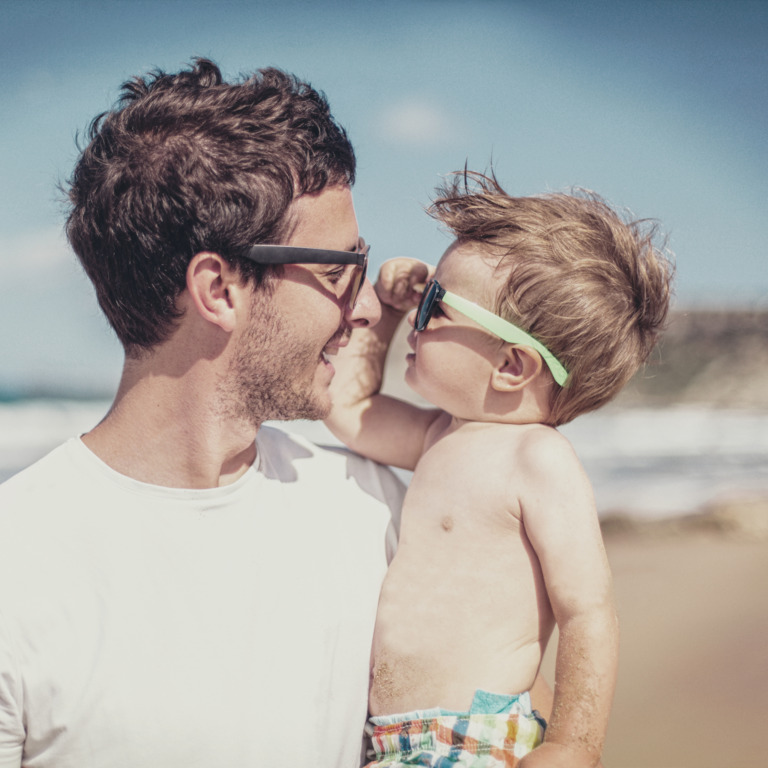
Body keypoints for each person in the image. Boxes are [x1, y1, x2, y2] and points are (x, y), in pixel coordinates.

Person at [0, 58, 407, 768]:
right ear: (219, 289)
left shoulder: (375, 510)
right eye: (341, 270)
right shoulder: (18, 573)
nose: (366, 306)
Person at [325, 171, 674, 768]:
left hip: (476, 739)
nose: (418, 316)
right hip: (392, 744)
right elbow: (348, 409)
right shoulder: (439, 434)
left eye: (435, 304)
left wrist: (574, 744)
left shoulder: (537, 459)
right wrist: (383, 313)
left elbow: (587, 612)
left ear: (511, 364)